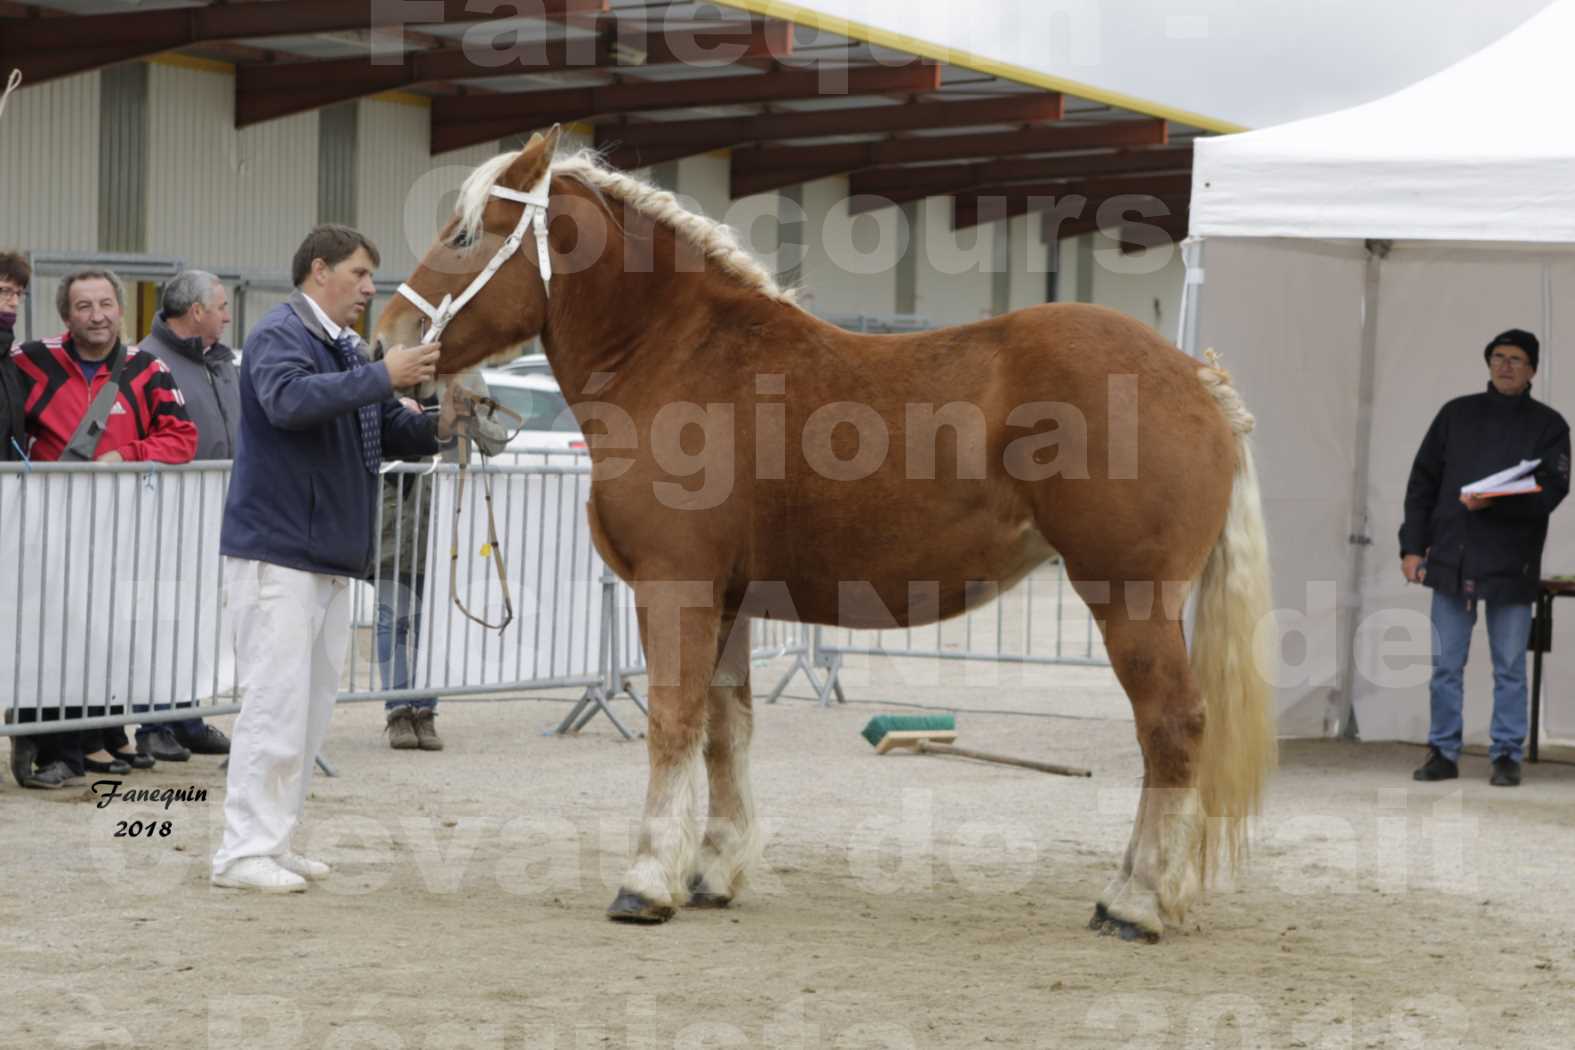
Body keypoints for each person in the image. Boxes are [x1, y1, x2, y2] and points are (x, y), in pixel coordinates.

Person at [211, 224, 451, 892]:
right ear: (320, 270)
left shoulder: (342, 346)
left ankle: (273, 839)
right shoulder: (279, 334)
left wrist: (442, 422)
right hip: (280, 547)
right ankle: (240, 852)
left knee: (309, 709)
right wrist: (382, 374)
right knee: (273, 703)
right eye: (359, 274)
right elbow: (288, 402)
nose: (370, 289)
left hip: (325, 552)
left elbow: (382, 428)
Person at [8, 268, 199, 787]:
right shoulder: (30, 361)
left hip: (116, 534)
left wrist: (125, 454)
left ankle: (88, 738)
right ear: (65, 315)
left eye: (106, 304)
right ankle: (52, 749)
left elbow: (182, 438)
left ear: (121, 308)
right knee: (46, 640)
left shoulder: (146, 368)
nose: (97, 316)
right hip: (41, 533)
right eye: (84, 306)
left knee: (99, 639)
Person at [1401, 328, 1570, 787]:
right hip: (1452, 555)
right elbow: (1422, 484)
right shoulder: (1456, 414)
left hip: (1511, 559)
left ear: (1532, 369)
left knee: (1511, 665)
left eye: (1516, 359)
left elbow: (1552, 491)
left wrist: (1497, 500)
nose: (1506, 365)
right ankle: (1442, 751)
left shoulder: (1549, 426)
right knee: (1445, 663)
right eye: (1498, 356)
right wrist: (1412, 547)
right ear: (1488, 363)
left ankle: (1507, 754)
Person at [133, 269, 239, 762]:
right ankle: (154, 722)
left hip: (215, 509)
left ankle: (185, 714)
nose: (227, 314)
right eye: (221, 306)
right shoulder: (144, 361)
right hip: (163, 515)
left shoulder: (222, 362)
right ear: (196, 312)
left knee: (197, 618)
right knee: (161, 616)